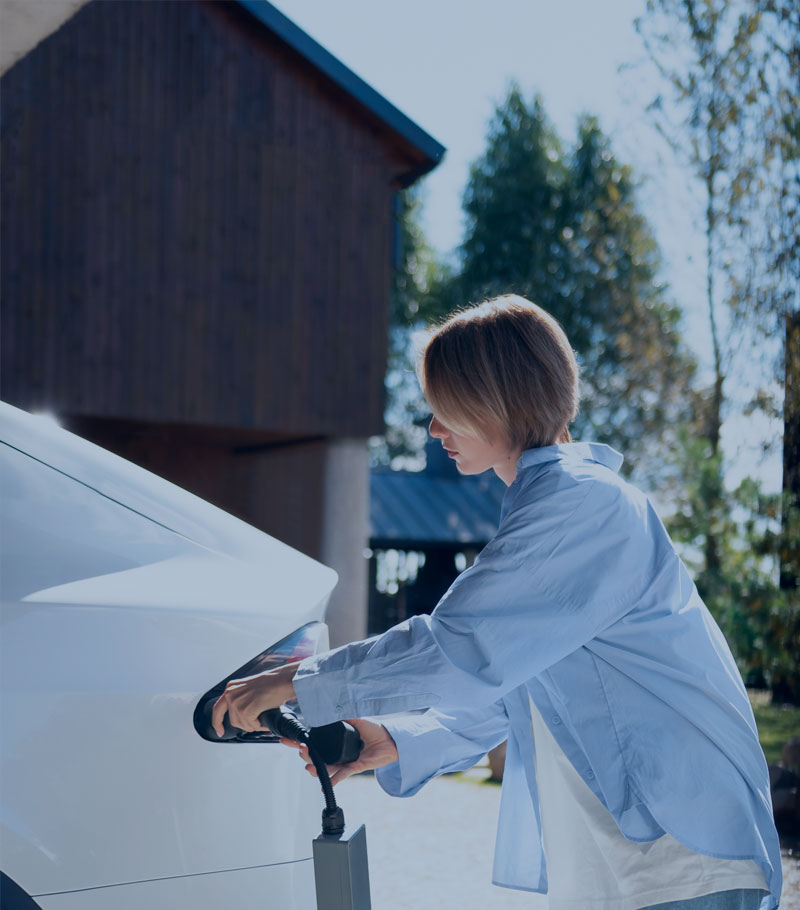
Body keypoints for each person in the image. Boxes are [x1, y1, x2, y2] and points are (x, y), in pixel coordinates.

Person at [212, 296, 782, 910]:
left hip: (681, 855)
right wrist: (402, 741)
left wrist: (297, 682)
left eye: (444, 407)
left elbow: (456, 646)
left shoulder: (582, 504)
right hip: (633, 865)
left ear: (494, 399)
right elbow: (519, 693)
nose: (433, 429)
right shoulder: (551, 509)